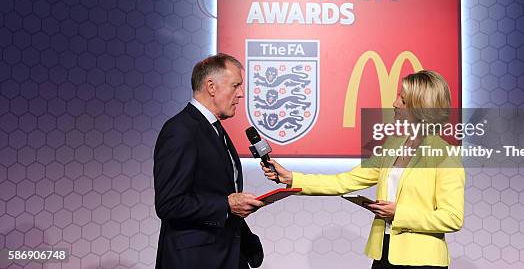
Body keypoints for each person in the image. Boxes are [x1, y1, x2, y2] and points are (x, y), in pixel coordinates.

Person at [261, 70, 465, 268]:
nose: (394, 104)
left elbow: (452, 218)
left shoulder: (445, 155)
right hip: (384, 254)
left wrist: (399, 214)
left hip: (423, 262)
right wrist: (291, 178)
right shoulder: (393, 145)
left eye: (402, 100)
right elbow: (345, 181)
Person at [154, 53, 264, 269]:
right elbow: (169, 204)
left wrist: (246, 239)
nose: (241, 94)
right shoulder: (180, 130)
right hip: (194, 261)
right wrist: (227, 205)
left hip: (226, 256)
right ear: (211, 87)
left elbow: (214, 193)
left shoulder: (214, 129)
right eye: (236, 85)